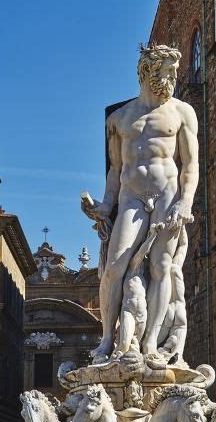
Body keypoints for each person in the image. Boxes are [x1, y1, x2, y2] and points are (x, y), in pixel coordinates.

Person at [83, 44, 199, 363]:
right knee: (114, 267)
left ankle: (149, 343)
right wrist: (104, 207)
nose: (174, 78)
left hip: (167, 194)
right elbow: (115, 171)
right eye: (168, 72)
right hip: (131, 196)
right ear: (149, 72)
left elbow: (190, 164)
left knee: (161, 266)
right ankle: (108, 340)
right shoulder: (119, 118)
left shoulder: (182, 112)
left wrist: (185, 202)